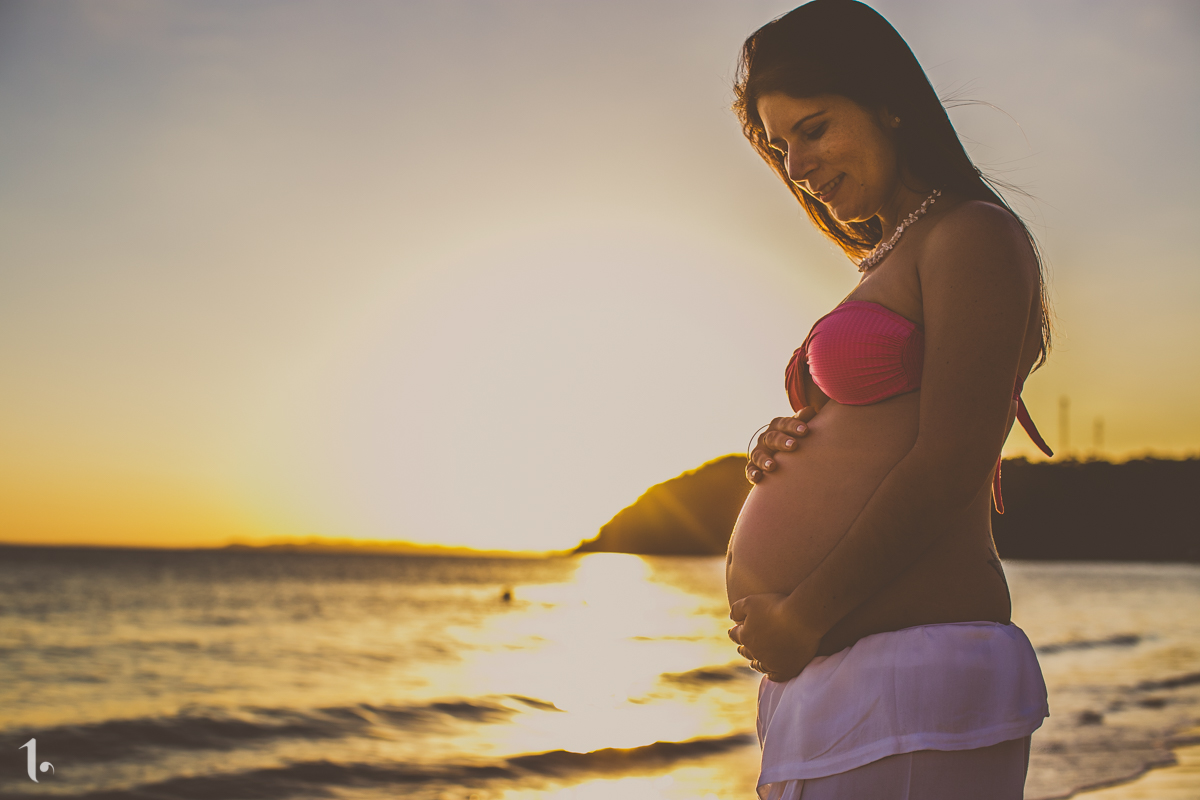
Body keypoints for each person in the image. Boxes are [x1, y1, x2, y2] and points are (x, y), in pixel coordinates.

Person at [722, 1, 1054, 797]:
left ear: (889, 104)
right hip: (847, 675)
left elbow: (949, 461)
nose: (796, 166)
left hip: (912, 670)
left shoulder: (970, 234)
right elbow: (883, 421)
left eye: (813, 128)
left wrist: (801, 618)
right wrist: (795, 434)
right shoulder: (893, 256)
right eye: (778, 145)